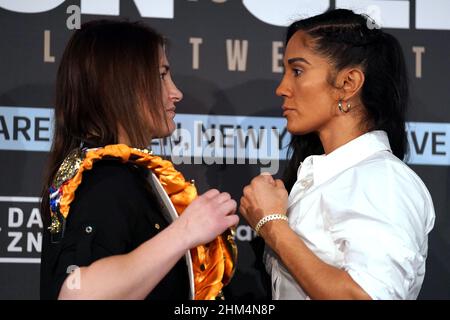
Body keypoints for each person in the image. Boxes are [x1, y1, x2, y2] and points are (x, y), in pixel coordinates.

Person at [239, 9, 435, 300]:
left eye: (298, 71)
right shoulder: (332, 177)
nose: (282, 88)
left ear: (348, 83)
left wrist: (273, 225)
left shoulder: (382, 180)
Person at [40, 20, 239, 300]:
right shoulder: (106, 178)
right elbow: (77, 294)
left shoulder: (121, 174)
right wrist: (186, 232)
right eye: (161, 75)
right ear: (121, 85)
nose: (176, 92)